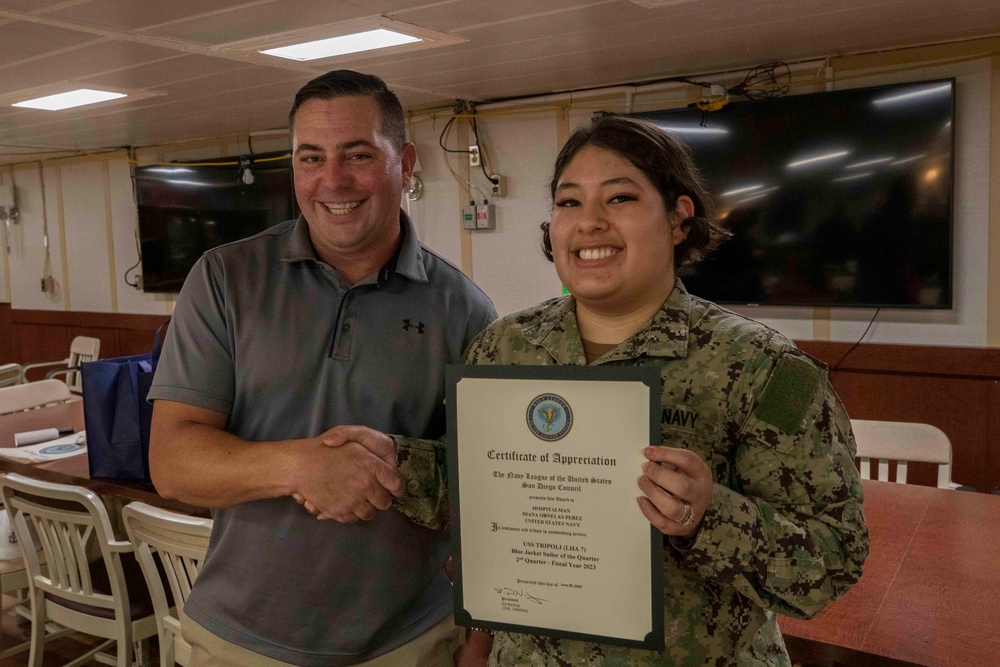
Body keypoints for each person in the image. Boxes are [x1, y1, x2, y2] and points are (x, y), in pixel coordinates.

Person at [451, 114, 870, 665]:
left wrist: (709, 515)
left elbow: (833, 561)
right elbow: (473, 498)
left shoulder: (765, 369)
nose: (589, 223)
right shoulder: (502, 349)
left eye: (620, 198)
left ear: (678, 219)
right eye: (569, 202)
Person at [147, 70, 496, 667]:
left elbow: (487, 490)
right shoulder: (224, 278)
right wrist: (301, 466)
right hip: (238, 643)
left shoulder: (464, 308)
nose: (332, 180)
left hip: (410, 643)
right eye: (312, 157)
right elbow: (173, 464)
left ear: (405, 163)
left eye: (358, 155)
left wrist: (481, 639)